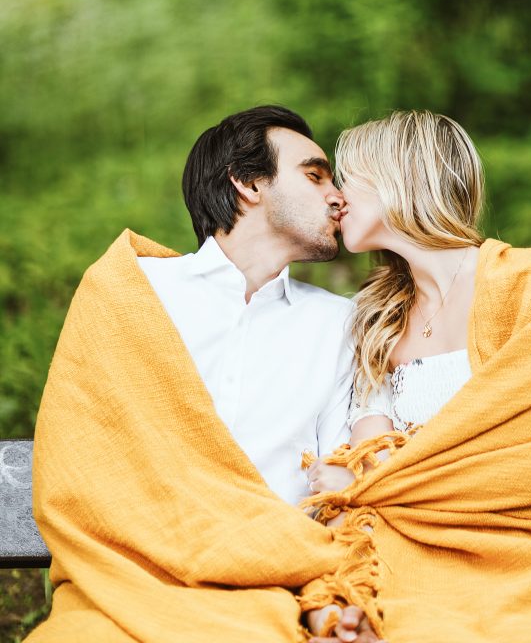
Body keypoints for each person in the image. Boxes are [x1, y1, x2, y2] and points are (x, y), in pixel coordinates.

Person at [26, 105, 381, 643]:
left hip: (270, 596)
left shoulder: (340, 324)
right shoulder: (130, 293)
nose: (338, 196)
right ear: (246, 182)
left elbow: (339, 492)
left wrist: (330, 601)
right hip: (123, 591)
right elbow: (80, 469)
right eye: (314, 175)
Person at [305, 110, 531, 643]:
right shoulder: (373, 317)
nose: (334, 196)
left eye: (345, 177)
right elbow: (372, 453)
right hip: (417, 560)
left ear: (399, 176)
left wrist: (368, 485)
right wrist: (374, 481)